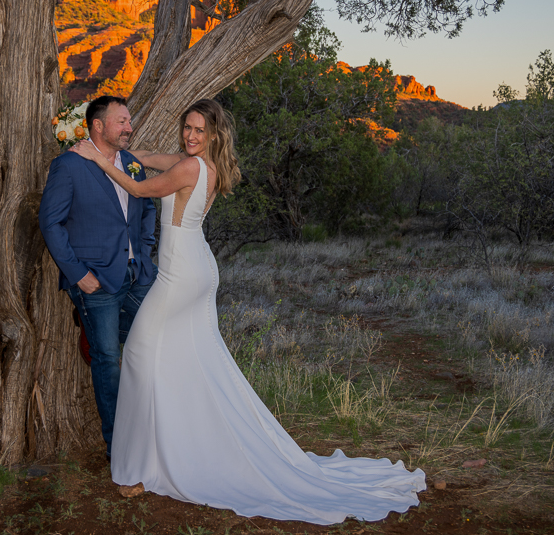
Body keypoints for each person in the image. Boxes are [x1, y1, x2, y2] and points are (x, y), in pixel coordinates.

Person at [70, 98, 426, 525]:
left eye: (199, 130)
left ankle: (143, 462)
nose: (190, 135)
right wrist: (117, 152)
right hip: (196, 268)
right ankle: (179, 443)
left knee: (140, 354)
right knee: (188, 360)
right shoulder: (202, 164)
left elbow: (140, 188)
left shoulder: (191, 167)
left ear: (214, 135)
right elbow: (144, 159)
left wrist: (97, 158)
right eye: (187, 127)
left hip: (180, 276)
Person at [39, 96, 158, 460]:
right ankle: (119, 448)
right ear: (98, 125)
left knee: (156, 340)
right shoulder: (69, 165)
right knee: (107, 360)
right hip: (96, 281)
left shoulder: (131, 163)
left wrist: (145, 250)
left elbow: (147, 208)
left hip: (138, 275)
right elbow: (51, 223)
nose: (129, 128)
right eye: (122, 121)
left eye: (129, 121)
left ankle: (154, 431)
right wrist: (78, 275)